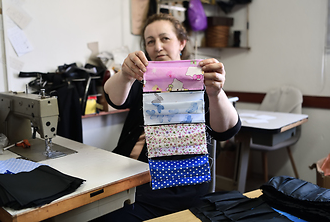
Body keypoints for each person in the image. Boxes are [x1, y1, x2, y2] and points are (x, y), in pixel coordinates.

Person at [96, 13, 241, 222]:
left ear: (182, 42)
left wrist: (216, 93)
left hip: (172, 187)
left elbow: (227, 130)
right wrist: (125, 74)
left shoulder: (202, 82)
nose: (157, 47)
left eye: (165, 38)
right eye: (150, 41)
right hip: (125, 174)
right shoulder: (142, 80)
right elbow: (114, 98)